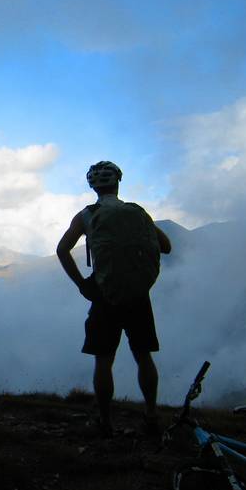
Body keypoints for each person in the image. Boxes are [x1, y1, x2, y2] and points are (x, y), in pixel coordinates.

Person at [56, 161, 171, 437]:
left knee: (104, 360)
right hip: (138, 293)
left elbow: (62, 250)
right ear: (118, 182)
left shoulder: (86, 215)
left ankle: (105, 421)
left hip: (104, 292)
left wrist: (82, 285)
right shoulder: (138, 213)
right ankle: (152, 415)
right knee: (143, 356)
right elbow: (166, 247)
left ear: (92, 186)